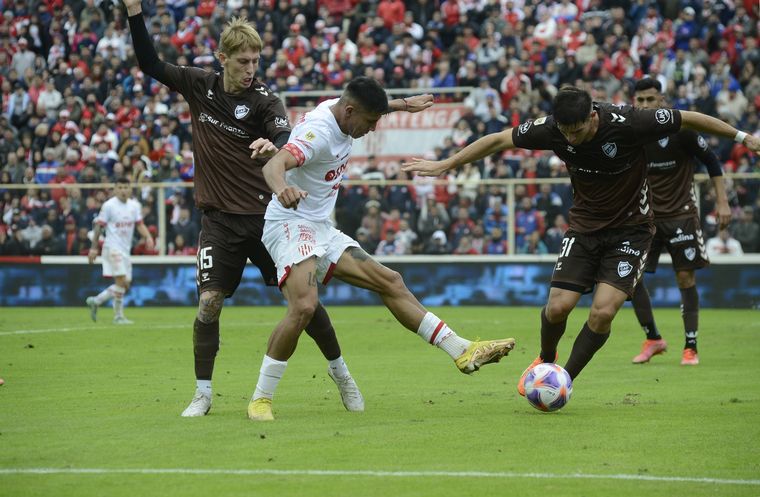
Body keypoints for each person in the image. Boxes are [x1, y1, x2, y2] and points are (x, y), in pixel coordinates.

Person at [403, 86, 759, 397]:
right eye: (564, 132)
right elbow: (498, 139)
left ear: (592, 116)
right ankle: (546, 359)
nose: (570, 139)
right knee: (558, 307)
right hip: (584, 229)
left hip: (631, 231)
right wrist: (445, 164)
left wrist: (743, 138)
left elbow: (691, 118)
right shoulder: (552, 129)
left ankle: (562, 379)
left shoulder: (631, 122)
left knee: (603, 310)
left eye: (576, 131)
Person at [123, 0, 362, 418]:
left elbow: (284, 132)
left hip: (268, 220)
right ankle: (203, 393)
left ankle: (341, 374)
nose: (251, 69)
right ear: (223, 58)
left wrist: (275, 145)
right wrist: (133, 12)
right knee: (209, 302)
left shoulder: (265, 101)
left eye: (255, 60)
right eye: (243, 61)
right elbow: (150, 64)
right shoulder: (199, 85)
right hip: (218, 220)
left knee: (305, 303)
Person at [248, 77, 516, 421]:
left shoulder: (345, 109)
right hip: (289, 222)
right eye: (371, 122)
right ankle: (260, 399)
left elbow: (367, 106)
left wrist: (403, 104)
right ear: (349, 112)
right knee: (304, 306)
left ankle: (461, 350)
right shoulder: (317, 133)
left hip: (320, 227)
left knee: (391, 281)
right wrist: (283, 188)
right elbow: (274, 165)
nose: (374, 128)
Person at [629, 78, 732, 366]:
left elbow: (712, 161)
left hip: (681, 216)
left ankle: (691, 346)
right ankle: (653, 338)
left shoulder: (681, 129)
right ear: (634, 102)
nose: (646, 105)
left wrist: (722, 202)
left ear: (661, 100)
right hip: (645, 219)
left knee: (685, 278)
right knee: (630, 279)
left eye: (651, 99)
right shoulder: (632, 133)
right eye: (641, 100)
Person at [86, 177, 155, 324]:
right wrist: (93, 248)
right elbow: (99, 226)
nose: (123, 190)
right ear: (115, 189)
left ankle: (96, 301)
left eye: (126, 187)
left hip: (125, 250)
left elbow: (139, 224)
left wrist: (148, 237)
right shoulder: (109, 206)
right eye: (120, 187)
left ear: (130, 189)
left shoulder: (134, 206)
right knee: (121, 281)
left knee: (125, 284)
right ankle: (118, 317)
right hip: (112, 247)